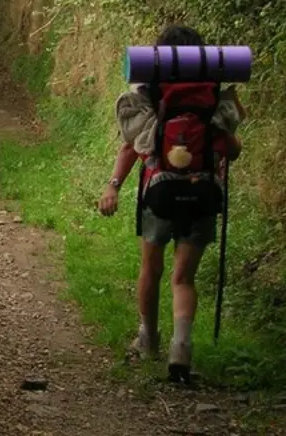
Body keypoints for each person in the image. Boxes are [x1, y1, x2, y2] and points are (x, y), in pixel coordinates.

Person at [97, 25, 246, 382]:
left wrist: (113, 185)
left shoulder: (149, 87)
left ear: (161, 54)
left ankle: (148, 339)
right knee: (184, 277)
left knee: (151, 269)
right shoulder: (214, 91)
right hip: (204, 194)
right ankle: (181, 346)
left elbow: (131, 144)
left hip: (158, 192)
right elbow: (233, 149)